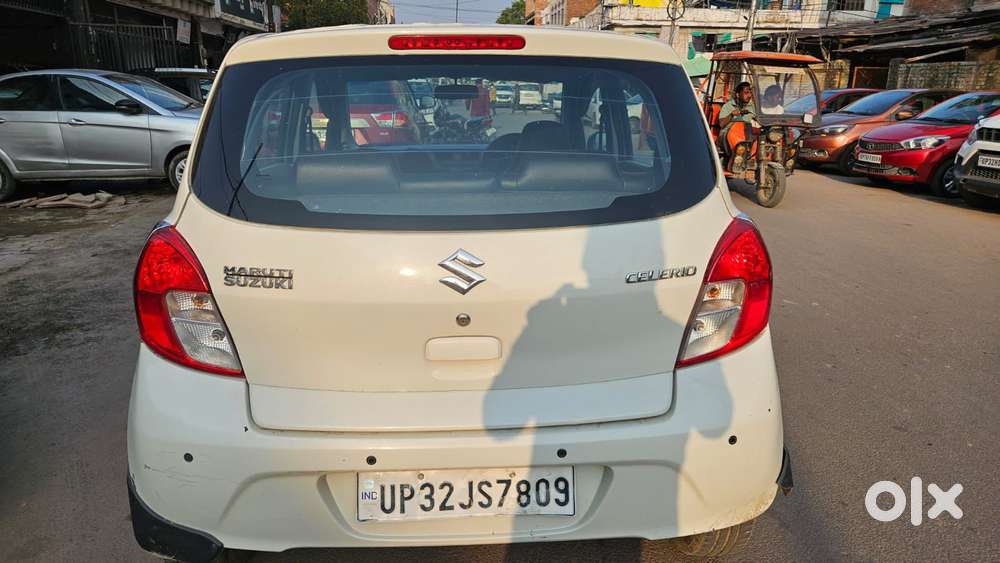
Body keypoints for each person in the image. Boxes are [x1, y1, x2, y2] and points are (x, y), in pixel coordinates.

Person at [719, 82, 756, 156]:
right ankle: (735, 158)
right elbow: (721, 124)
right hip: (729, 135)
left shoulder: (753, 106)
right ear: (738, 95)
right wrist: (731, 115)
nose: (749, 95)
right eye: (746, 93)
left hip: (748, 135)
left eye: (750, 93)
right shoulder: (728, 106)